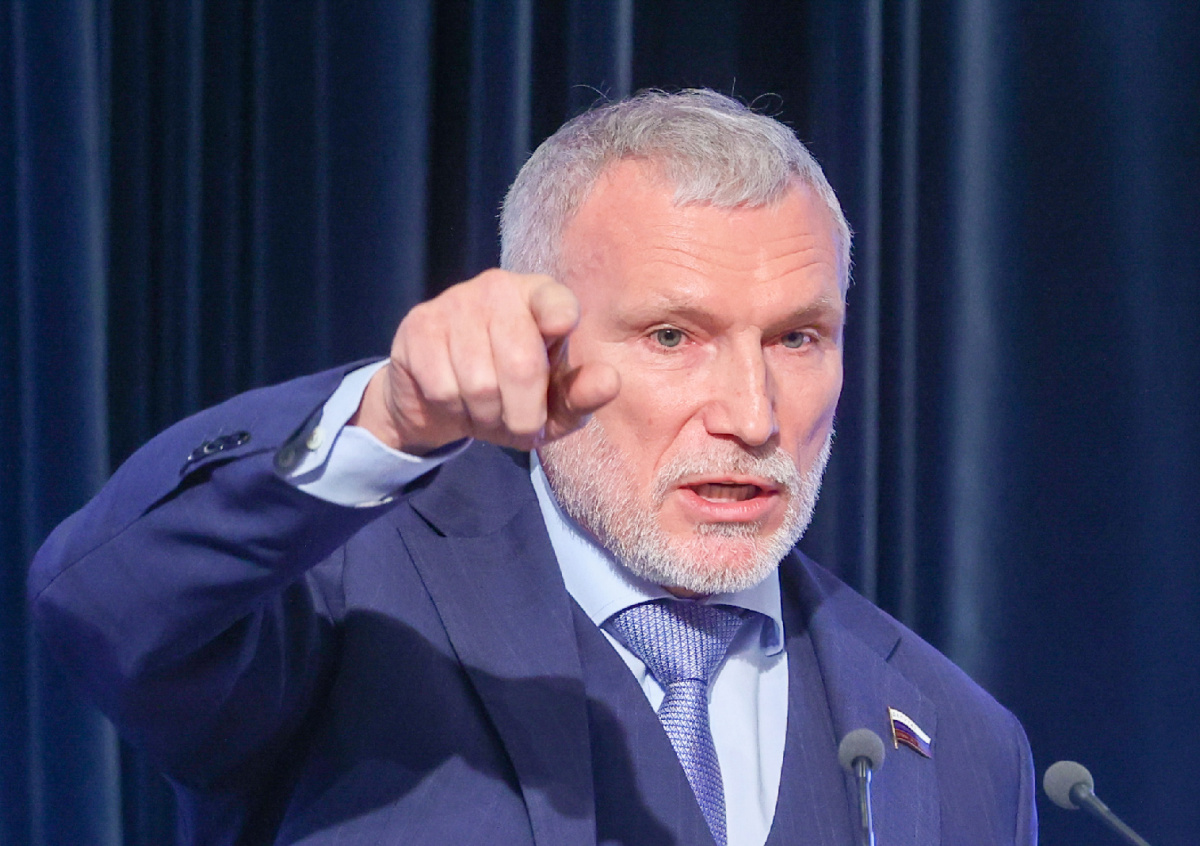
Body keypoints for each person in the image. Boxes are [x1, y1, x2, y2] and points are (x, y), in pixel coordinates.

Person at [29, 90, 1036, 845]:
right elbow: (104, 604)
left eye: (798, 338)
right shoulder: (338, 602)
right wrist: (390, 417)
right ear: (538, 338)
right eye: (673, 335)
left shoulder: (962, 743)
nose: (752, 414)